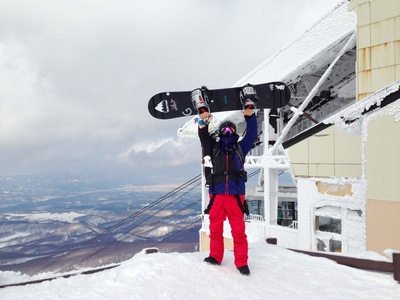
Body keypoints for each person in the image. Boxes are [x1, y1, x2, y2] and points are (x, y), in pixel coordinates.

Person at [197, 107, 257, 276]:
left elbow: (251, 134)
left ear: (235, 132)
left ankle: (242, 262)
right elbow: (203, 137)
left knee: (238, 231)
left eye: (231, 128)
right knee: (215, 229)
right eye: (225, 128)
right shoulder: (214, 148)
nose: (228, 131)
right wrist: (203, 123)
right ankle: (215, 256)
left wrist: (251, 118)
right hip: (217, 195)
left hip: (235, 196)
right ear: (220, 132)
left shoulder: (241, 148)